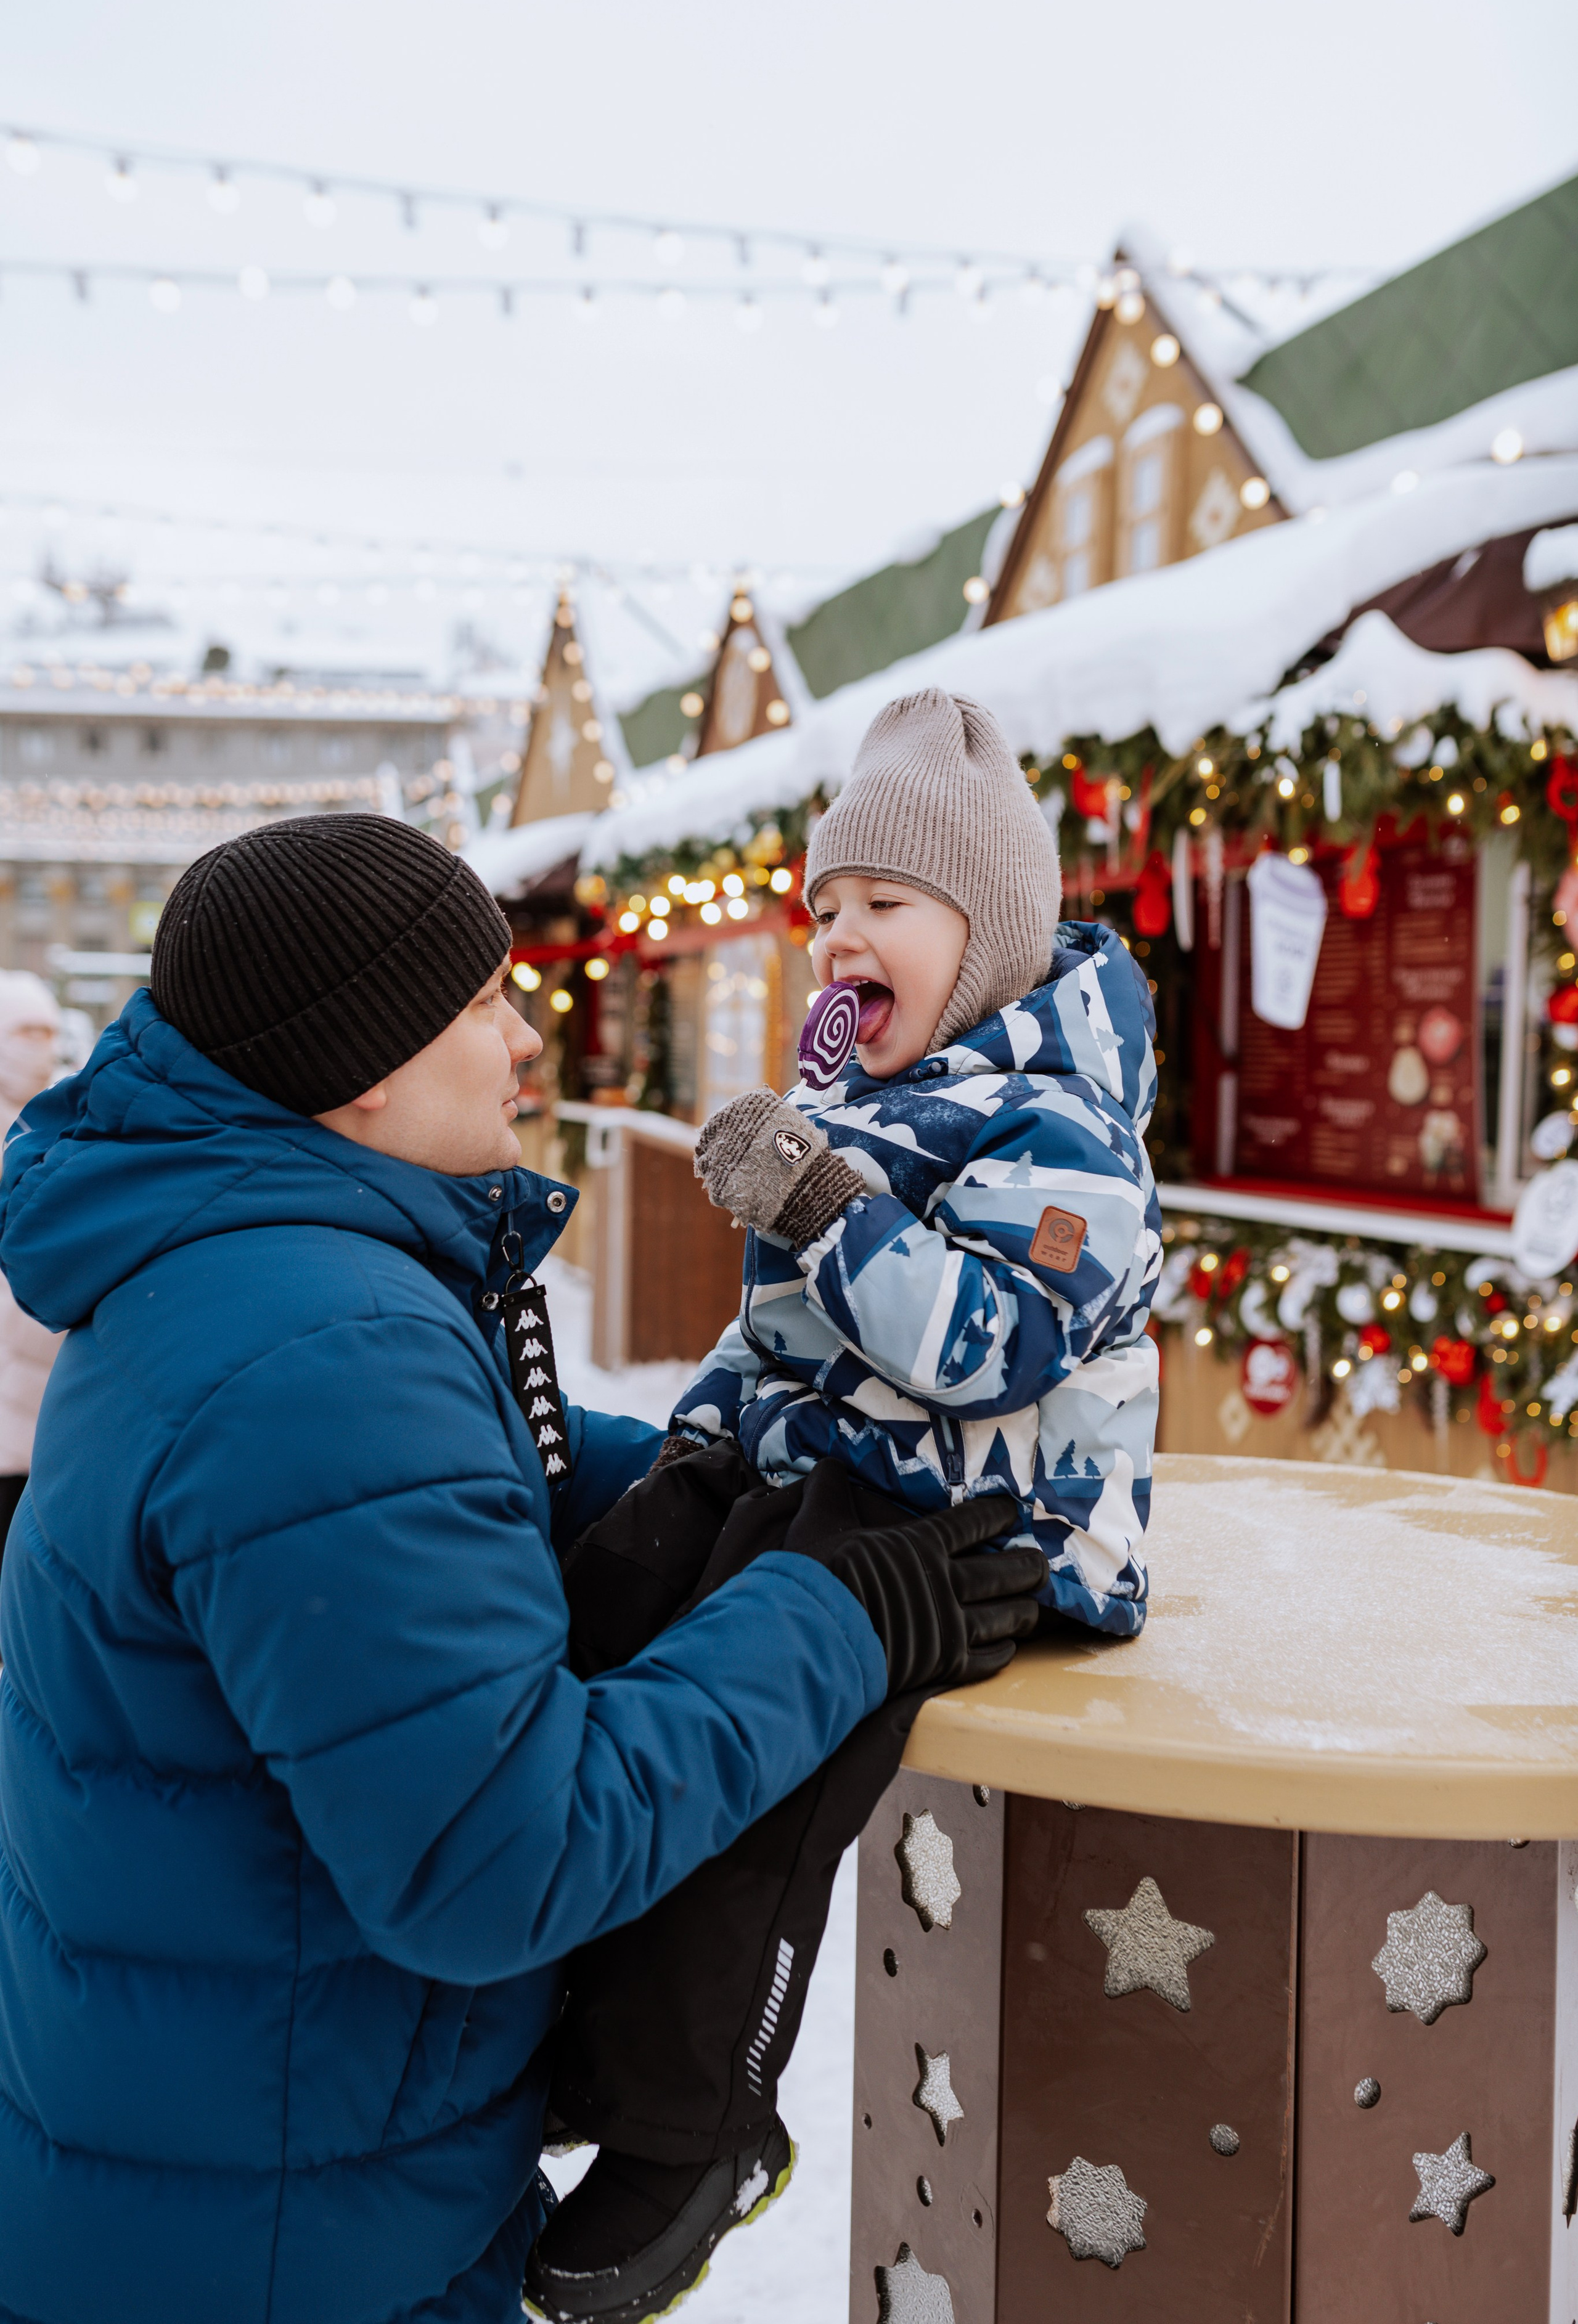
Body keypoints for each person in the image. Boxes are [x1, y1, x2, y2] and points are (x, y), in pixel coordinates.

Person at [0, 812, 1040, 2324]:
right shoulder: (323, 1352)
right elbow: (498, 1853)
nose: (525, 1029)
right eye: (485, 997)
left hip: (217, 2174)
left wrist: (725, 1467)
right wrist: (837, 1614)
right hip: (292, 2249)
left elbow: (455, 1495)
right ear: (364, 1062)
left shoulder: (249, 1261)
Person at [525, 688, 1159, 2323]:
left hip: (989, 1523)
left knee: (770, 1758)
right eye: (824, 908)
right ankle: (570, 2035)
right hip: (852, 1478)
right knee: (622, 1592)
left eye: (884, 904)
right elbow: (785, 1335)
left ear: (993, 932)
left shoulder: (1061, 1127)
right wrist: (703, 1449)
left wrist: (819, 1203)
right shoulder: (882, 1108)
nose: (836, 937)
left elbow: (986, 1344)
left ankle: (702, 2118)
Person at [0, 969, 65, 1584]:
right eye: (25, 1030)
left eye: (48, 1031)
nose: (38, 1045)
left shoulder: (63, 1126)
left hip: (45, 1403)